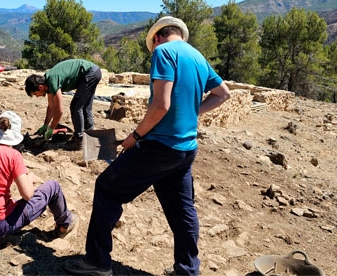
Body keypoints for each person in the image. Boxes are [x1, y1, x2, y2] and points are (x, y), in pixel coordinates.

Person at [64, 16, 231, 276]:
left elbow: (161, 105)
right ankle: (187, 270)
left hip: (158, 146)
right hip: (185, 149)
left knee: (107, 188)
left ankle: (97, 262)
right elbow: (223, 93)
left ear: (156, 38)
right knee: (182, 210)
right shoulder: (198, 56)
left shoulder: (163, 52)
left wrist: (136, 136)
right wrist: (192, 112)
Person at [0, 111, 77, 240]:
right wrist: (29, 179)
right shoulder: (13, 155)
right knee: (53, 187)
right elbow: (27, 195)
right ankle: (65, 223)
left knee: (14, 202)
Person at [24, 59, 102, 150]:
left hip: (90, 73)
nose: (37, 96)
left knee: (75, 106)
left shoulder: (52, 81)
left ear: (40, 87)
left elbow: (59, 110)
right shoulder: (47, 82)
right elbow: (51, 106)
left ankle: (78, 139)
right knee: (85, 107)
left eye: (35, 94)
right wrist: (45, 125)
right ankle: (90, 136)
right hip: (94, 71)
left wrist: (51, 129)